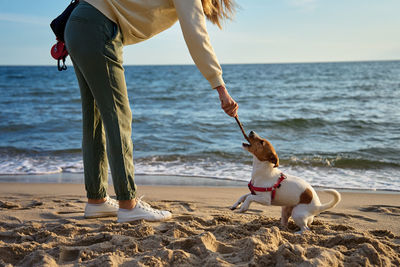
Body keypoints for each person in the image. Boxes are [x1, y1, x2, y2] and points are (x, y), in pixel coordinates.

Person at [64, 0, 239, 223]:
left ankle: (96, 201)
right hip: (97, 26)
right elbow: (197, 35)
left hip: (79, 24)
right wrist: (220, 87)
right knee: (119, 115)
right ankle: (128, 205)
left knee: (95, 117)